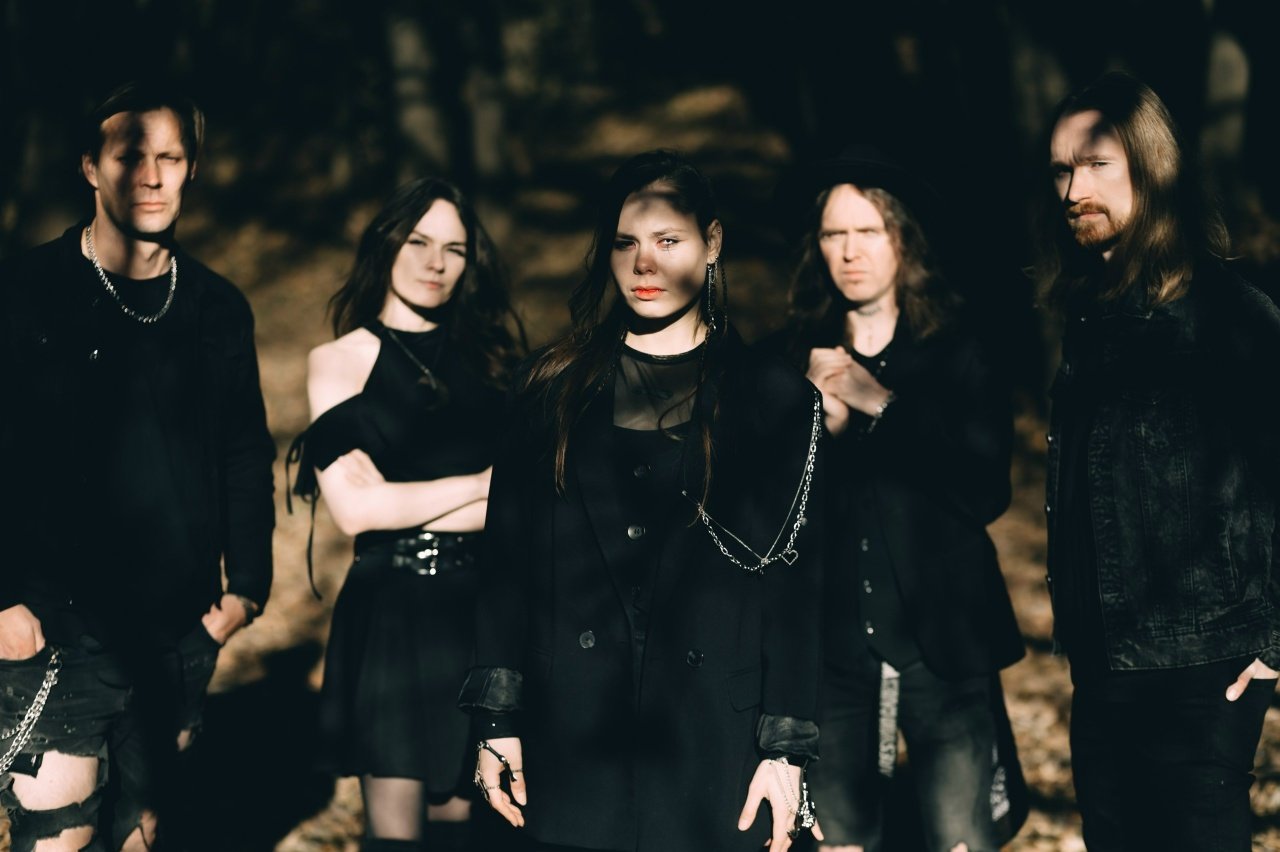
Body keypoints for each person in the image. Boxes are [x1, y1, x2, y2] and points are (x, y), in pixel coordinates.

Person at [458, 149, 825, 852]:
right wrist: (496, 722)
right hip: (573, 738)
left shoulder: (776, 401)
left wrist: (787, 749)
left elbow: (797, 590)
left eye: (667, 240)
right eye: (625, 242)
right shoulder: (549, 389)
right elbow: (507, 566)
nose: (644, 263)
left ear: (712, 243)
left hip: (716, 744)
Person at [0, 81, 275, 851]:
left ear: (192, 169)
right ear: (91, 167)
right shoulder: (25, 293)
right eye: (130, 157)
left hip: (179, 630)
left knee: (146, 835)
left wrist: (245, 590)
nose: (152, 177)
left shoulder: (217, 309)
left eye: (171, 158)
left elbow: (244, 451)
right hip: (55, 631)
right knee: (58, 837)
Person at [1038, 71, 1280, 850]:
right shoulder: (1092, 318)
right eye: (1061, 170)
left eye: (1096, 164)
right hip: (1101, 668)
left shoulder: (1228, 316)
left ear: (1152, 167)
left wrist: (1275, 643)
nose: (1074, 189)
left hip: (1203, 674)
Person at [766, 148, 1026, 852]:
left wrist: (879, 402)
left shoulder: (959, 352)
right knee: (839, 841)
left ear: (903, 240)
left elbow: (985, 490)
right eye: (833, 234)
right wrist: (810, 426)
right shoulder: (790, 357)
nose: (849, 252)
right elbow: (761, 513)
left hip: (942, 646)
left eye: (868, 231)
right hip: (832, 655)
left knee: (961, 839)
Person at [290, 177, 524, 852]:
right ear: (386, 246)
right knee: (396, 838)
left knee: (464, 831)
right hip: (391, 611)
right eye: (418, 242)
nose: (435, 262)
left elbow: (526, 504)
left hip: (479, 610)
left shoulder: (495, 364)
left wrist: (417, 499)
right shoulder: (341, 361)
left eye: (454, 249)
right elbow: (357, 510)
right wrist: (480, 485)